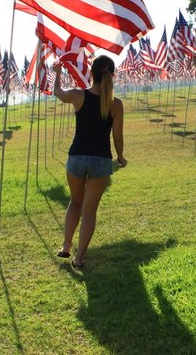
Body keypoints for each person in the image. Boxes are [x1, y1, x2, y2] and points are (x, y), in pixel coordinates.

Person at [52, 56, 126, 269]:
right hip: (101, 161)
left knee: (75, 202)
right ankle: (79, 258)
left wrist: (57, 73)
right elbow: (117, 137)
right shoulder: (116, 104)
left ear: (91, 74)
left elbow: (58, 93)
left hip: (77, 157)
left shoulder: (78, 95)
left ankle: (66, 246)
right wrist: (120, 157)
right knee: (89, 211)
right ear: (112, 76)